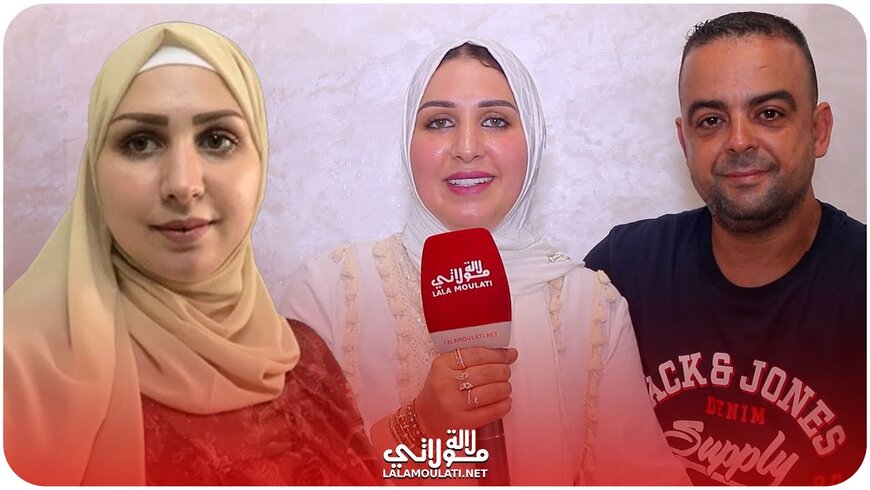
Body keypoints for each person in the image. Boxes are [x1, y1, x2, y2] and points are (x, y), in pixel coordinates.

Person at [280, 38, 689, 485]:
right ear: (407, 143)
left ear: (533, 140)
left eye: (495, 120)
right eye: (439, 122)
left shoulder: (589, 305)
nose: (467, 147)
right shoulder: (330, 292)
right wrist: (416, 427)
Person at [3, 22, 380, 485]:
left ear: (260, 159)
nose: (183, 184)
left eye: (216, 139)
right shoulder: (20, 372)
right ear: (94, 172)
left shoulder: (308, 361)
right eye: (140, 142)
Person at [584, 11, 865, 486]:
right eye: (711, 120)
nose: (738, 141)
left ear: (819, 130)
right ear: (685, 141)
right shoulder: (623, 270)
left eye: (769, 113)